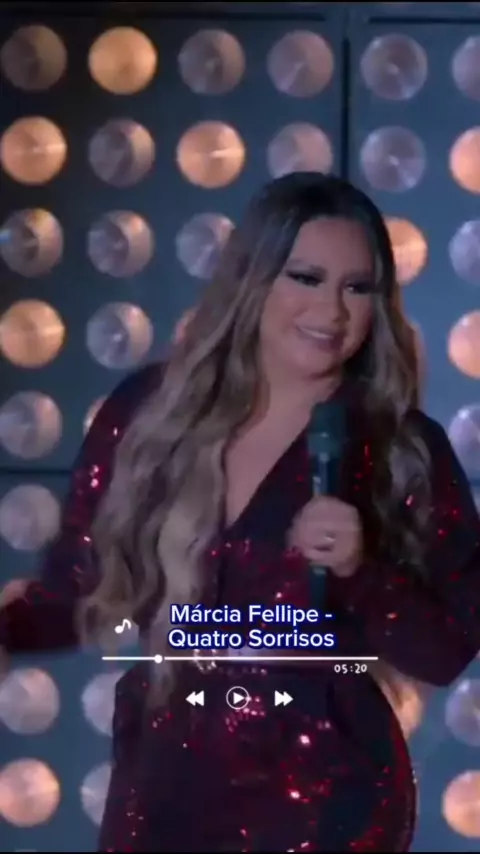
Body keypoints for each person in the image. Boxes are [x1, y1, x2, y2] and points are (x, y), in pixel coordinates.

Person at [1, 173, 479, 853]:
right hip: (167, 788)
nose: (332, 310)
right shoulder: (151, 414)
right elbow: (79, 585)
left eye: (357, 287)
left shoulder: (404, 447)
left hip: (331, 803)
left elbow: (446, 649)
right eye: (306, 277)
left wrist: (361, 571)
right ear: (253, 279)